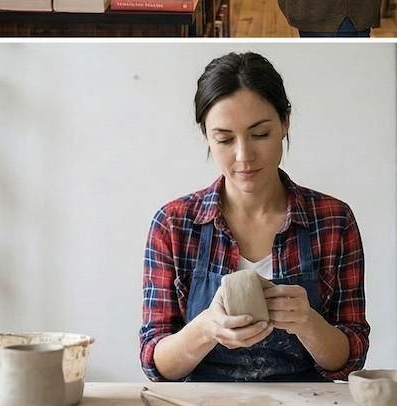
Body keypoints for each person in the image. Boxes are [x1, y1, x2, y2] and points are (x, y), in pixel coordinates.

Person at [139, 52, 369, 382]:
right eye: (224, 139)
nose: (244, 156)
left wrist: (307, 322)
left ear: (285, 122)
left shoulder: (334, 220)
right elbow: (155, 362)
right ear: (205, 134)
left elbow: (352, 356)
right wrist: (207, 328)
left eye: (260, 134)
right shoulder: (173, 224)